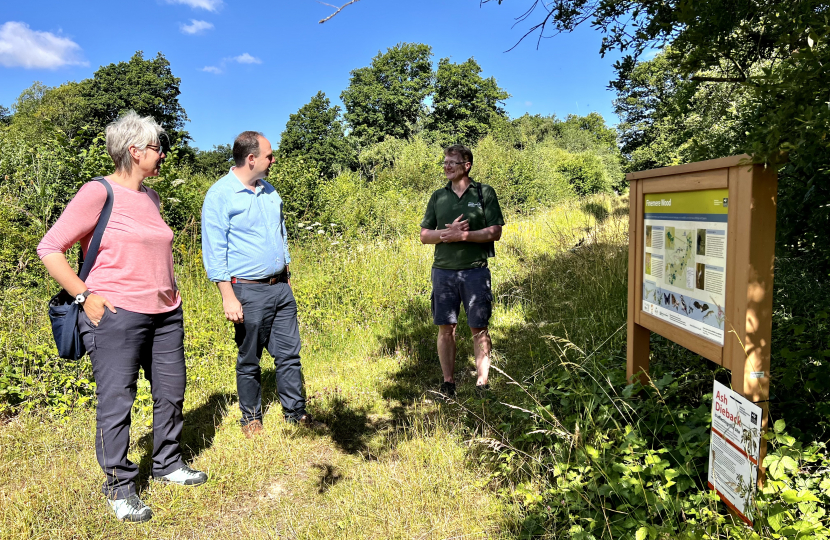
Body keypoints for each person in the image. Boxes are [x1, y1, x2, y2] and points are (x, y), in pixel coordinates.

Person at [38, 111, 207, 523]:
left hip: (165, 313)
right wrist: (85, 296)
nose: (162, 153)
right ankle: (119, 486)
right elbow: (50, 248)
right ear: (134, 150)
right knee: (116, 402)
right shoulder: (98, 192)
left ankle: (167, 463)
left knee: (171, 392)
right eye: (156, 147)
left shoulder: (151, 197)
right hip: (116, 314)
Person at [201, 131, 316, 438]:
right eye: (269, 155)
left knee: (289, 355)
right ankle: (251, 418)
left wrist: (287, 279)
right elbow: (214, 251)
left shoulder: (270, 191)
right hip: (247, 291)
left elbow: (282, 235)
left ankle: (295, 413)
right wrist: (228, 297)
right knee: (249, 357)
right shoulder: (220, 195)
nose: (273, 159)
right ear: (251, 159)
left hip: (279, 288)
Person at [420, 144, 505, 399]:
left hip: (475, 271)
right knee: (446, 328)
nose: (446, 166)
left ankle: (482, 383)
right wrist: (447, 236)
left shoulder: (484, 193)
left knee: (478, 327)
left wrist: (464, 235)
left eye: (451, 162)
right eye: (444, 162)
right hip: (444, 272)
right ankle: (448, 383)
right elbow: (425, 235)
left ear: (466, 166)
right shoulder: (438, 196)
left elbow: (495, 231)